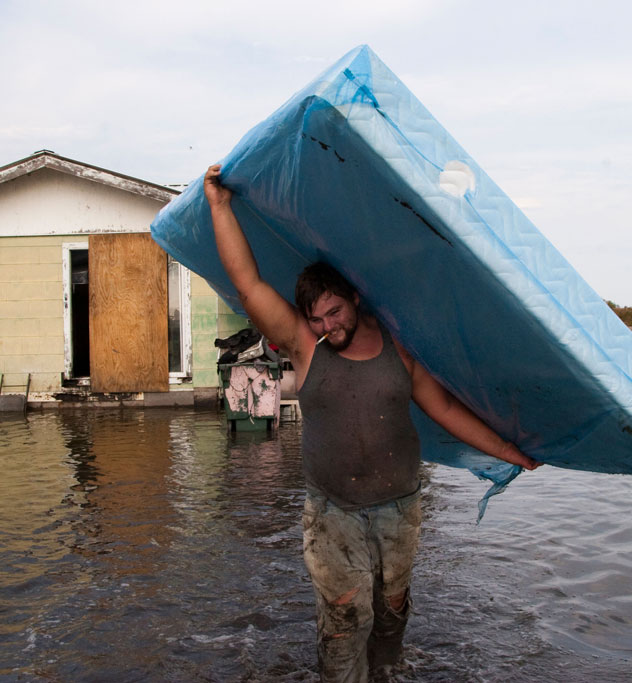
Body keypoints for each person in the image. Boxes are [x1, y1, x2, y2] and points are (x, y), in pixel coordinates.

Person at [203, 164, 541, 682]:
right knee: (344, 620)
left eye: (334, 312)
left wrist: (512, 453)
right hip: (332, 511)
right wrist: (220, 206)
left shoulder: (399, 350)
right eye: (316, 317)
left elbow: (446, 411)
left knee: (391, 612)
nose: (327, 326)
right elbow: (248, 286)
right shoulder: (305, 347)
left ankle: (385, 672)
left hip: (399, 508)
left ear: (355, 299)